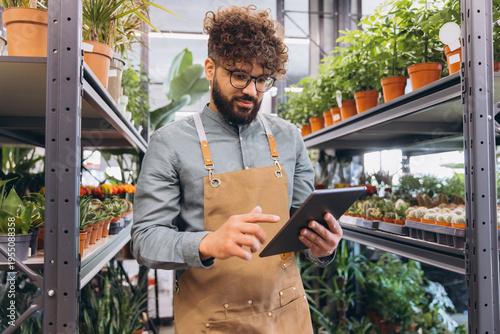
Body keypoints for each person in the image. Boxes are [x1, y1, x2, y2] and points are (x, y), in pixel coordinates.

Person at [131, 5, 343, 333]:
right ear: (209, 68)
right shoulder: (170, 143)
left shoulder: (289, 138)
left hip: (285, 315)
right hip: (211, 320)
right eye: (239, 75)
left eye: (261, 80)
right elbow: (145, 240)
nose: (251, 91)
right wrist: (206, 243)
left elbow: (306, 229)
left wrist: (323, 247)